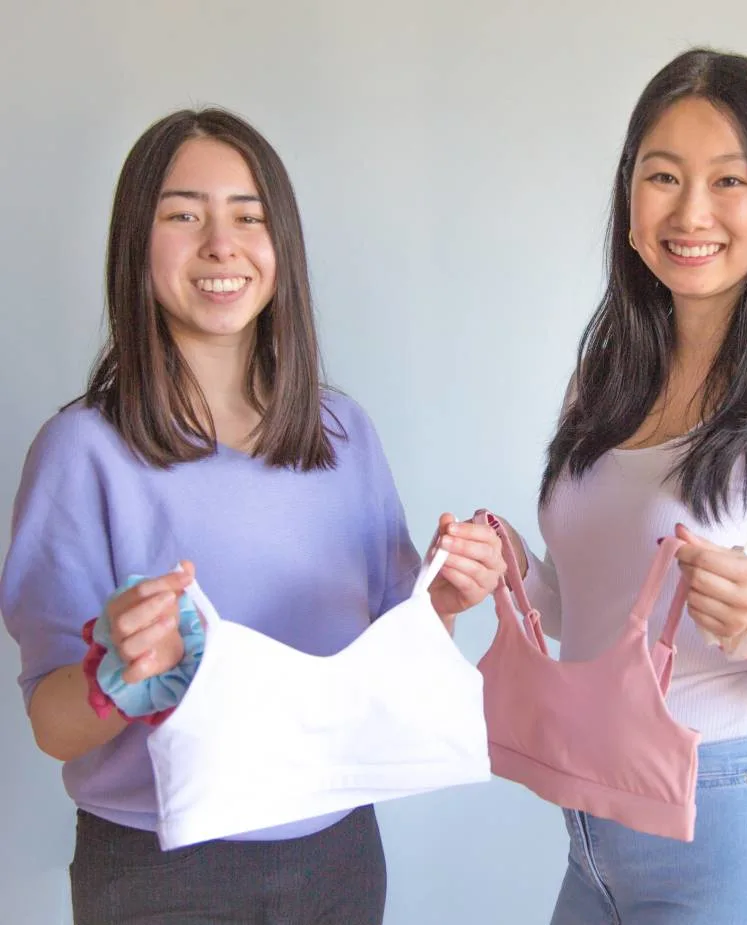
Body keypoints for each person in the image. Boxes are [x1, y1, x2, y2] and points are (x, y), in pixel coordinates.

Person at [0, 108, 504, 925]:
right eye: (183, 214)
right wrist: (118, 677)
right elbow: (51, 726)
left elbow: (389, 659)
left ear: (282, 248)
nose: (220, 243)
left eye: (248, 216)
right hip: (158, 867)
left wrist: (441, 603)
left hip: (339, 850)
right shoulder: (80, 452)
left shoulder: (345, 436)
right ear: (138, 241)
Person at [497, 48, 747, 925]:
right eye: (662, 176)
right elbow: (591, 603)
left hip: (732, 822)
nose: (690, 213)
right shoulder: (605, 378)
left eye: (729, 180)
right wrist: (505, 573)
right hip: (594, 823)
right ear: (628, 197)